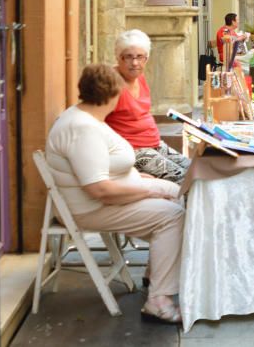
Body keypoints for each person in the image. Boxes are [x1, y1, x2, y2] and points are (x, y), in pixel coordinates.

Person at [47, 64, 184, 324]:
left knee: (176, 198)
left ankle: (156, 276)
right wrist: (150, 189)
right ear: (113, 95)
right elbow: (100, 189)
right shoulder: (83, 128)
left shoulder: (85, 118)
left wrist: (140, 179)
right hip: (92, 209)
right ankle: (159, 300)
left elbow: (103, 169)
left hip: (102, 202)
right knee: (174, 215)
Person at [106, 30, 190, 183]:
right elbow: (97, 120)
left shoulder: (139, 77)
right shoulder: (111, 82)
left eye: (139, 57)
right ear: (118, 57)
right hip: (133, 150)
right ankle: (184, 207)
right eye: (128, 57)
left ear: (147, 58)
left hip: (155, 143)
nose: (135, 63)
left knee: (194, 169)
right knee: (184, 179)